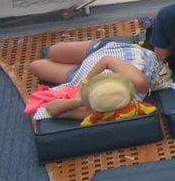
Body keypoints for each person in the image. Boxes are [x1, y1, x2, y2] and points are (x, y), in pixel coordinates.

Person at [29, 37, 161, 120]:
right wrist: (84, 84)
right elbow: (107, 60)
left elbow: (51, 109)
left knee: (35, 67)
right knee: (54, 51)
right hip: (109, 54)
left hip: (80, 74)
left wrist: (81, 100)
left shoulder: (99, 108)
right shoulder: (138, 82)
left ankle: (78, 68)